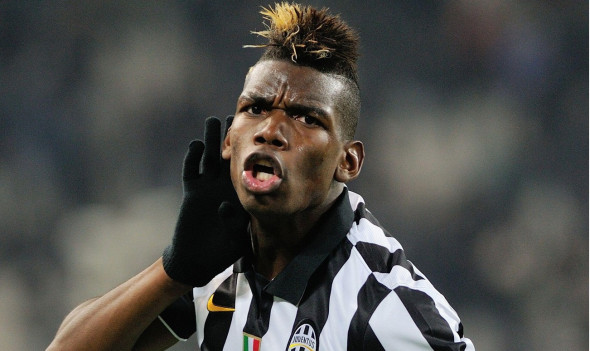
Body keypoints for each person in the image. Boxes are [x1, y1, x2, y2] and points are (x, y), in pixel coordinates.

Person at [47, 3, 474, 350]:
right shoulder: (218, 260)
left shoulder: (386, 308)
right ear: (230, 139)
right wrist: (173, 272)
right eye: (255, 109)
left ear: (349, 162)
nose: (270, 130)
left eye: (306, 117)